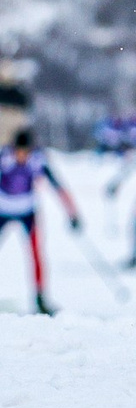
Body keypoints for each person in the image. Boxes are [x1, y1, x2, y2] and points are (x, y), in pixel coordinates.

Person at [1, 129, 81, 315]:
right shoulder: (4, 159)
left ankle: (40, 298)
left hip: (27, 212)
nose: (21, 155)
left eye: (25, 151)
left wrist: (72, 213)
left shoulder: (37, 160)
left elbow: (58, 186)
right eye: (18, 151)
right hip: (3, 210)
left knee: (36, 253)